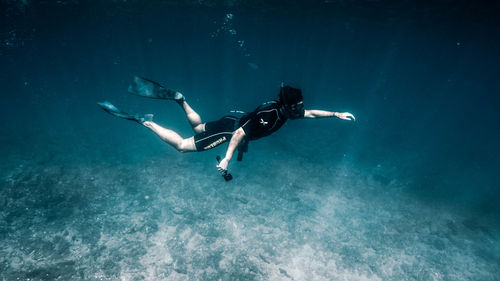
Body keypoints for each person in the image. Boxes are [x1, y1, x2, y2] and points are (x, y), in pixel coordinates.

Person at [98, 77, 355, 180]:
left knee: (199, 127)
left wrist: (335, 114)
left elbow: (311, 114)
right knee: (182, 146)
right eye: (297, 107)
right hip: (232, 129)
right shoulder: (271, 114)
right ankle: (146, 120)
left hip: (233, 118)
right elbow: (241, 134)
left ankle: (181, 99)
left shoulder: (287, 110)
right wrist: (228, 160)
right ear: (286, 106)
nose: (301, 111)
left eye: (300, 107)